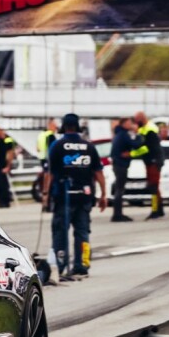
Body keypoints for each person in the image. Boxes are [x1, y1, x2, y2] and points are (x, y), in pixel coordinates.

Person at [46, 113, 107, 279]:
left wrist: (45, 194)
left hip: (63, 197)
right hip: (85, 197)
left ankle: (59, 265)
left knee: (60, 232)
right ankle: (82, 265)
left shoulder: (57, 146)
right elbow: (98, 172)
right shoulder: (89, 146)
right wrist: (103, 195)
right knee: (82, 232)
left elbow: (50, 173)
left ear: (64, 127)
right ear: (78, 127)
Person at [128, 111, 163, 219]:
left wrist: (131, 154)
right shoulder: (143, 129)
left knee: (153, 186)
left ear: (141, 119)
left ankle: (155, 210)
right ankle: (159, 209)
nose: (135, 123)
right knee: (154, 186)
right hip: (150, 161)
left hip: (153, 160)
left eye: (136, 120)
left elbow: (147, 148)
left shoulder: (150, 130)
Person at [109, 116, 135, 222]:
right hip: (121, 165)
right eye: (129, 123)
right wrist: (138, 135)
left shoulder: (119, 134)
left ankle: (118, 213)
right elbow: (135, 144)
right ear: (123, 124)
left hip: (118, 164)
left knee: (119, 189)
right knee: (119, 190)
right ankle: (117, 214)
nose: (131, 125)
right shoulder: (123, 135)